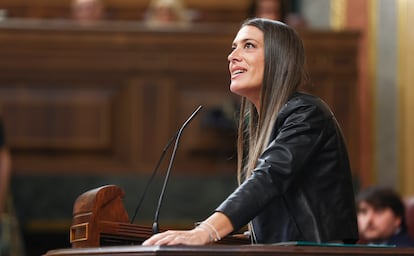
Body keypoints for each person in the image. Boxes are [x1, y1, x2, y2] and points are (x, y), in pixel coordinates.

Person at [143, 18, 358, 246]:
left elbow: (268, 178)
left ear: (279, 58)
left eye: (249, 45)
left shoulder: (307, 112)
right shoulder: (259, 122)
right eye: (234, 47)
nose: (232, 56)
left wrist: (207, 231)